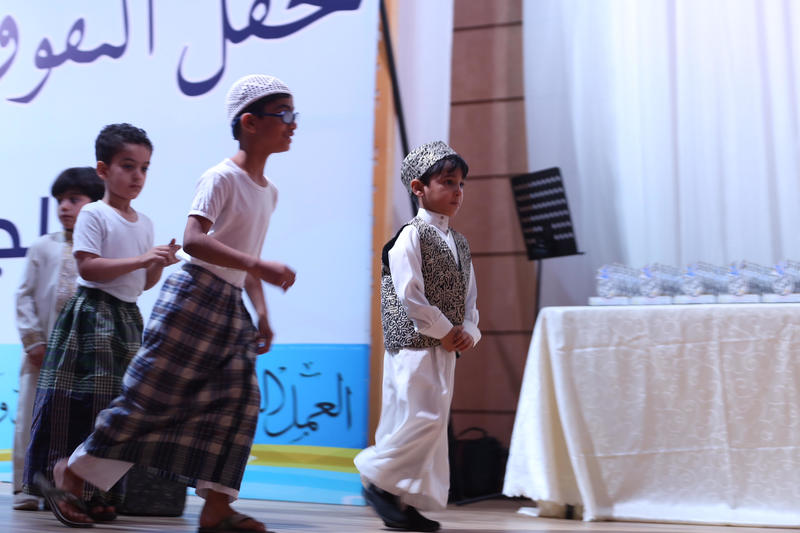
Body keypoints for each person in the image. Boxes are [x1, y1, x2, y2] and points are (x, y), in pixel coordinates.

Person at [37, 74, 297, 532]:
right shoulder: (221, 177)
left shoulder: (269, 191)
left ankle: (217, 508)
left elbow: (247, 256)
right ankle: (72, 472)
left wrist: (262, 312)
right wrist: (260, 266)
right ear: (250, 123)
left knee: (239, 403)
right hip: (193, 298)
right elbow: (195, 240)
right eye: (284, 114)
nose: (293, 124)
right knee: (150, 399)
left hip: (230, 303)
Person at [25, 123, 180, 521]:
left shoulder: (144, 222)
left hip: (127, 319)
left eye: (144, 168)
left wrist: (157, 264)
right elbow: (89, 268)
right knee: (78, 403)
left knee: (117, 408)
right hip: (92, 316)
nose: (137, 176)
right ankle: (63, 481)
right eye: (128, 166)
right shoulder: (94, 213)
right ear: (103, 169)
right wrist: (143, 258)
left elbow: (141, 284)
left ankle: (95, 490)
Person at [354, 141, 481, 532]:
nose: (457, 192)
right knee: (421, 418)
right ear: (418, 188)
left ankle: (400, 499)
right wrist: (445, 330)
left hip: (444, 347)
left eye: (460, 184)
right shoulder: (410, 236)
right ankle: (376, 476)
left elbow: (470, 300)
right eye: (448, 182)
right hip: (413, 346)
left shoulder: (459, 243)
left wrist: (469, 332)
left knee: (422, 422)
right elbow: (410, 296)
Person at [13, 167, 104, 511]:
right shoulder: (42, 246)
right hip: (42, 352)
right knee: (31, 418)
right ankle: (27, 488)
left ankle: (71, 490)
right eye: (60, 200)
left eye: (74, 199)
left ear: (95, 204)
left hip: (84, 355)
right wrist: (33, 341)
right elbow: (24, 296)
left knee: (76, 422)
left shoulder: (103, 248)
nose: (64, 207)